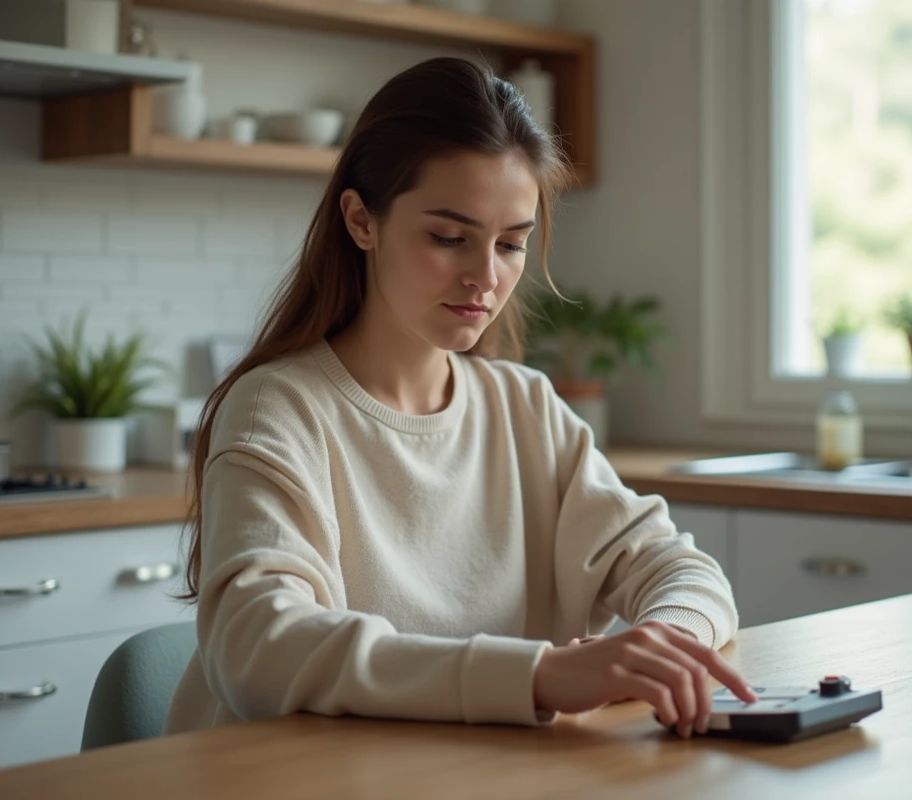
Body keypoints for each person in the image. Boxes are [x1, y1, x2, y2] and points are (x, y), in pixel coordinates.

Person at [163, 56, 756, 742]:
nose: (485, 276)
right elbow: (259, 647)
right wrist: (539, 677)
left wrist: (659, 644)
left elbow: (683, 572)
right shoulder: (277, 409)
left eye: (511, 245)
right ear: (360, 220)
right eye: (450, 238)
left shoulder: (525, 408)